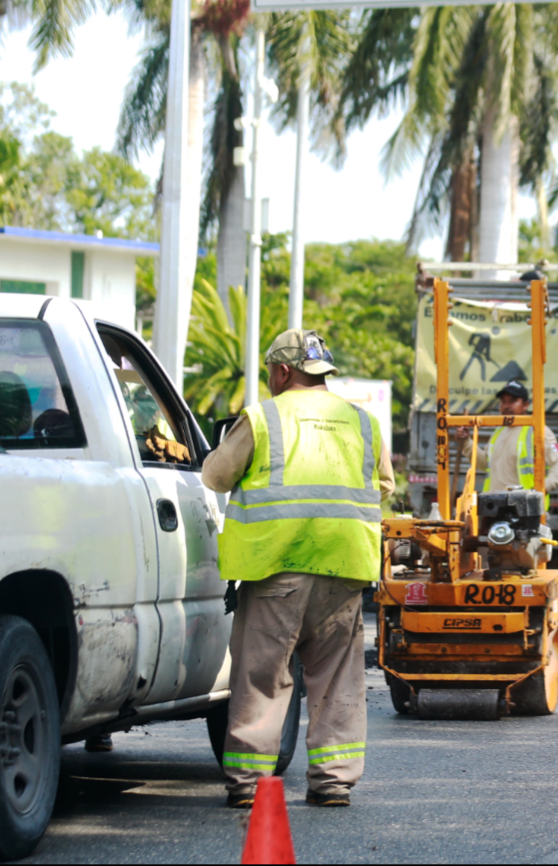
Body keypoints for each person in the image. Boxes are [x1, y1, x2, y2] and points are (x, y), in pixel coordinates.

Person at [202, 329, 395, 809]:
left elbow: (215, 475)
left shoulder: (264, 417)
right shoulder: (363, 423)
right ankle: (332, 781)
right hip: (345, 570)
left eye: (271, 371)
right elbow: (385, 486)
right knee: (336, 679)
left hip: (277, 571)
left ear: (283, 371)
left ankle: (248, 783)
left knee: (263, 676)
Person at [457, 380, 558, 497]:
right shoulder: (499, 431)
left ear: (525, 405)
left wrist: (540, 489)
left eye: (512, 401)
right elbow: (485, 464)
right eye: (503, 401)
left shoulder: (537, 430)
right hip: (495, 508)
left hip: (525, 510)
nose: (506, 406)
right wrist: (466, 442)